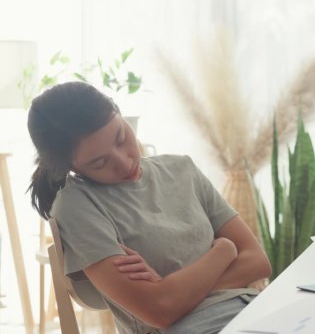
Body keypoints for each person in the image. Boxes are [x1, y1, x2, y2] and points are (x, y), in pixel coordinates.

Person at [27, 81, 271, 334]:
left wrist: (173, 290)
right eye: (99, 162)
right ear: (73, 167)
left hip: (253, 312)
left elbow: (257, 261)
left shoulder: (182, 169)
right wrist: (224, 250)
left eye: (121, 137)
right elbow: (160, 311)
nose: (124, 162)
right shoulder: (77, 206)